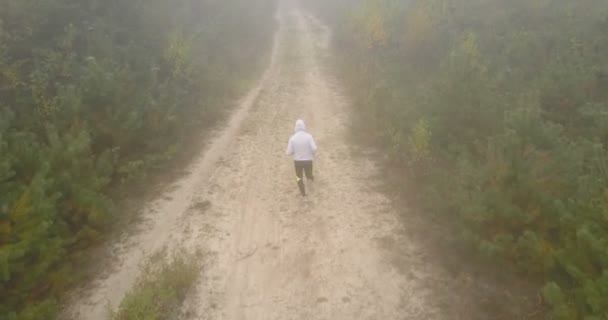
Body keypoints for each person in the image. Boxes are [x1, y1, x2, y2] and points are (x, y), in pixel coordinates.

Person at [286, 119, 317, 196]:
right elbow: (314, 148)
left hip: (297, 162)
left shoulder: (292, 138)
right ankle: (310, 181)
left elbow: (288, 152)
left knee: (298, 177)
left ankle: (303, 192)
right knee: (309, 173)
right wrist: (312, 153)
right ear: (304, 126)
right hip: (308, 160)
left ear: (295, 127)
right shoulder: (309, 137)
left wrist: (294, 151)